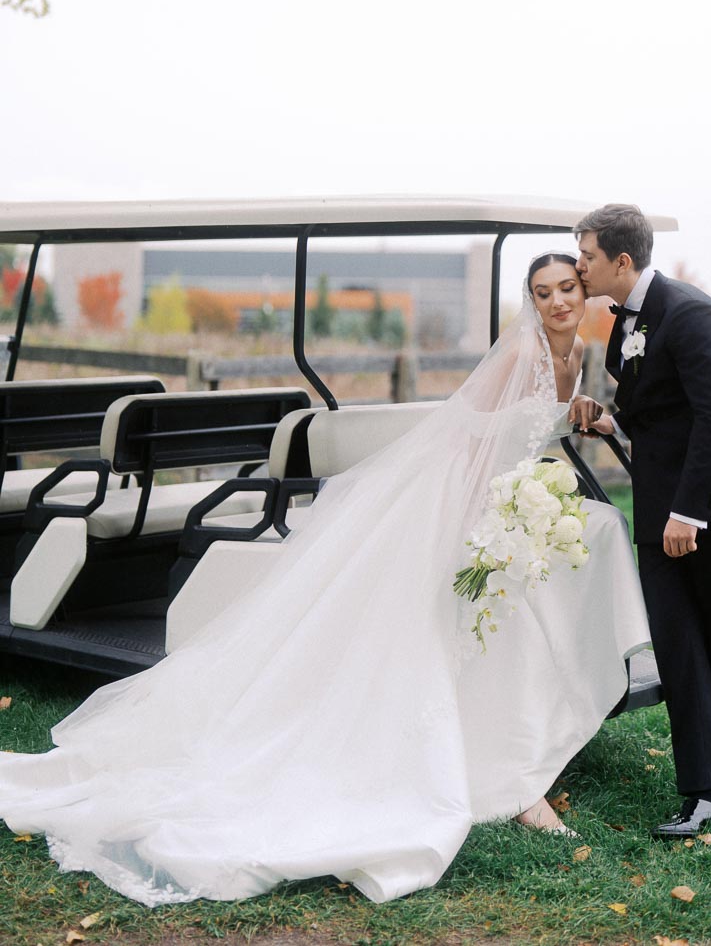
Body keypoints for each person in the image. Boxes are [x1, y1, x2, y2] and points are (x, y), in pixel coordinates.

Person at [0, 254, 650, 906]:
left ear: (583, 289)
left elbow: (539, 429)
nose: (560, 301)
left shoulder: (576, 351)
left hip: (507, 494)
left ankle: (543, 721)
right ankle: (510, 761)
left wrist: (574, 421)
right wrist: (490, 516)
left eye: (567, 287)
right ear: (532, 301)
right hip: (467, 498)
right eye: (545, 292)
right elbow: (471, 436)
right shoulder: (521, 356)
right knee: (506, 598)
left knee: (582, 547)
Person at [573, 205, 711, 837]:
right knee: (678, 644)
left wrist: (689, 513)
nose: (579, 267)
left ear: (621, 261)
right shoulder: (621, 321)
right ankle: (707, 786)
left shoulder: (693, 315)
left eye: (586, 257)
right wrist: (612, 421)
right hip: (660, 506)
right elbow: (658, 409)